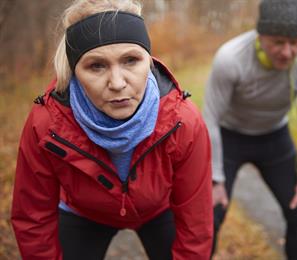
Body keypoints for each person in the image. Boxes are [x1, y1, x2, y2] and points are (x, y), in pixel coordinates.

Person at [11, 0, 213, 259]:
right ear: (75, 72)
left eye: (131, 60)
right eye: (96, 66)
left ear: (148, 62)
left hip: (158, 210)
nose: (117, 83)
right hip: (83, 213)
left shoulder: (183, 121)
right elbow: (33, 218)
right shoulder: (47, 124)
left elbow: (196, 222)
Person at [203, 0, 297, 259]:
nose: (287, 51)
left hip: (274, 137)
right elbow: (210, 119)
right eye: (278, 42)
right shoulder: (230, 58)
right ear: (260, 36)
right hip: (229, 137)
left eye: (295, 42)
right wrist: (216, 179)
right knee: (210, 213)